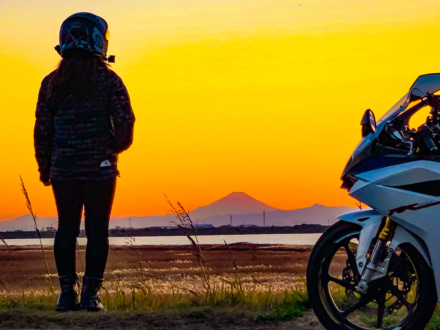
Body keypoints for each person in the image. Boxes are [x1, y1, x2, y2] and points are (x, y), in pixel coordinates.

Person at [34, 12, 135, 312]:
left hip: (63, 169)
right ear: (98, 41)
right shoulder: (109, 80)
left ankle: (67, 295)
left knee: (66, 229)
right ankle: (90, 296)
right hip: (100, 170)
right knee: (97, 231)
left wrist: (45, 167)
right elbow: (126, 123)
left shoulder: (51, 83)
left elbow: (42, 130)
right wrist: (111, 149)